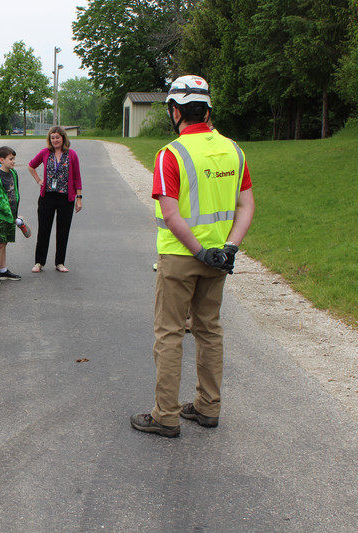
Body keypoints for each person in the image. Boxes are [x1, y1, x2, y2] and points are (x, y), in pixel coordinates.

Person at [130, 75, 255, 438]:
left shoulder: (172, 154)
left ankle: (165, 415)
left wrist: (199, 251)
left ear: (174, 111)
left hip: (180, 257)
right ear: (208, 110)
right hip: (219, 257)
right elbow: (246, 205)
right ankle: (207, 407)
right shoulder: (234, 150)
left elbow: (171, 214)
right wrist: (227, 248)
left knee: (169, 333)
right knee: (209, 330)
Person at [27, 126, 83, 273]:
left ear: (63, 138)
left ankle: (60, 262)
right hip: (48, 197)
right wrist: (39, 180)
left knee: (63, 231)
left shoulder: (72, 155)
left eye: (58, 137)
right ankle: (39, 262)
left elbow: (77, 177)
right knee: (44, 230)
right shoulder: (45, 153)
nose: (55, 140)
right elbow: (31, 166)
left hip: (66, 197)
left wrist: (79, 198)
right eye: (52, 138)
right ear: (49, 140)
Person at [0, 146, 22, 285]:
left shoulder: (13, 173)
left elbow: (15, 192)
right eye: (11, 159)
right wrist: (2, 206)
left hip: (11, 214)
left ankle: (3, 269)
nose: (13, 161)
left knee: (5, 242)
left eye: (14, 159)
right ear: (2, 160)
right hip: (0, 215)